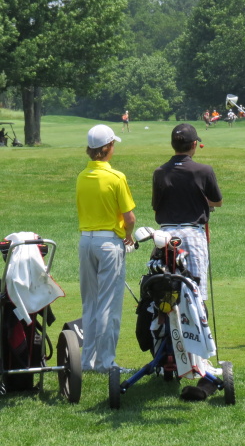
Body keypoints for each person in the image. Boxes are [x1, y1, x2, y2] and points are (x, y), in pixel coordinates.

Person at [152, 123, 223, 400]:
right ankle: (200, 362)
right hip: (192, 237)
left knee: (163, 293)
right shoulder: (203, 170)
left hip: (164, 236)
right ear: (194, 145)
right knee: (195, 297)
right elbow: (217, 201)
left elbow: (157, 207)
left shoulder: (160, 172)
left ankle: (166, 353)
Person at [76, 124, 136, 373]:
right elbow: (129, 218)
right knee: (108, 305)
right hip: (109, 243)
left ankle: (87, 361)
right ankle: (106, 363)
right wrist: (129, 235)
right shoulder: (116, 177)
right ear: (108, 147)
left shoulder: (82, 176)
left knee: (90, 303)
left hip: (86, 242)